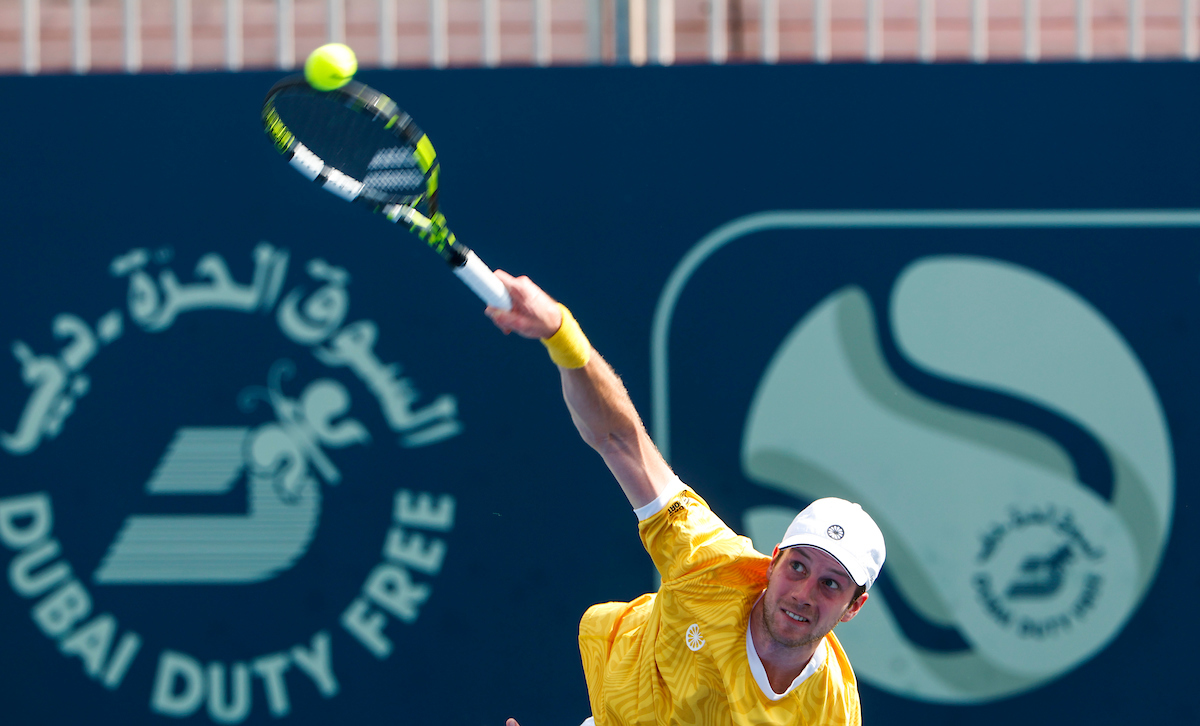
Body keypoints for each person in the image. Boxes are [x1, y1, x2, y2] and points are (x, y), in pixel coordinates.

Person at [486, 271, 886, 726]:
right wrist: (562, 334)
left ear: (854, 607)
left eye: (831, 584)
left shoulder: (831, 712)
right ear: (772, 561)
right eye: (798, 566)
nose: (803, 593)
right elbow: (619, 440)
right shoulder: (709, 563)